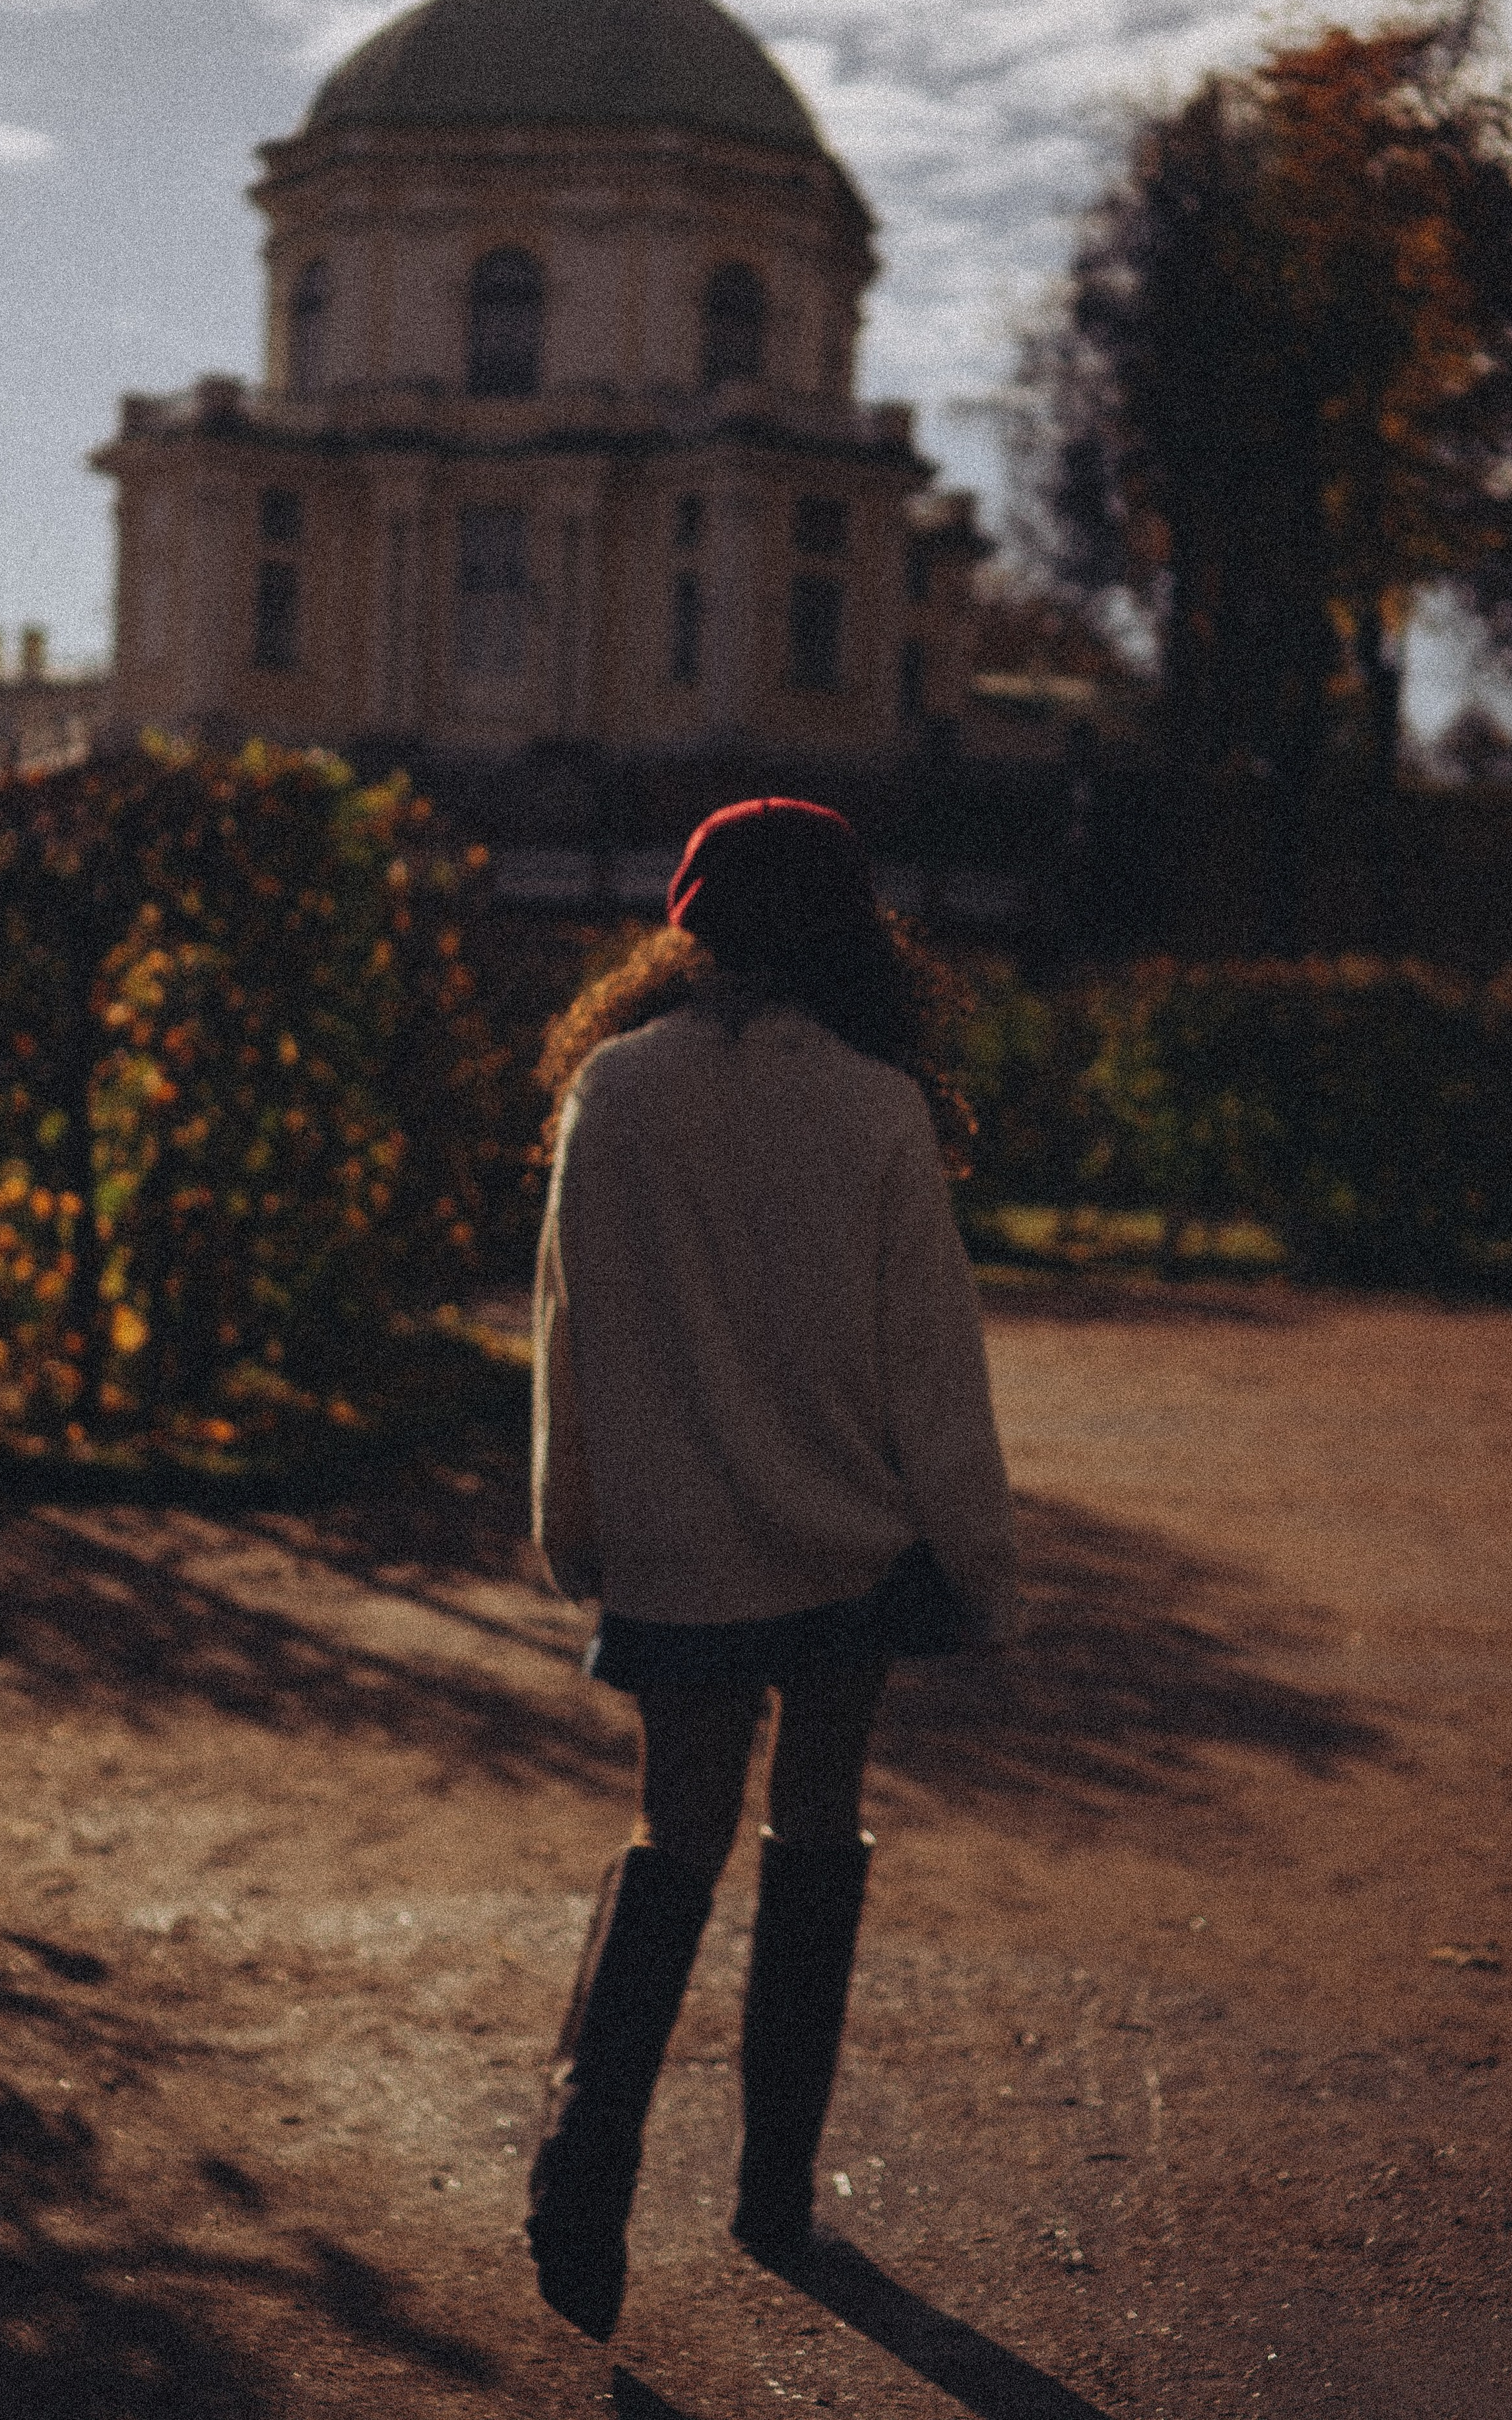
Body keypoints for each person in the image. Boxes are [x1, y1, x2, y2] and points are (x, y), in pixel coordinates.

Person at [525, 797, 1018, 2342]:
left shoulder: (611, 1092)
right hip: (842, 1549)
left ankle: (583, 2173)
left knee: (674, 1834)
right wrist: (977, 1566)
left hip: (672, 1552)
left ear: (686, 922)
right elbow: (930, 1372)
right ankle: (771, 2193)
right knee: (814, 1826)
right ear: (848, 933)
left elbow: (565, 1333)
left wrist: (575, 1523)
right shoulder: (876, 1106)